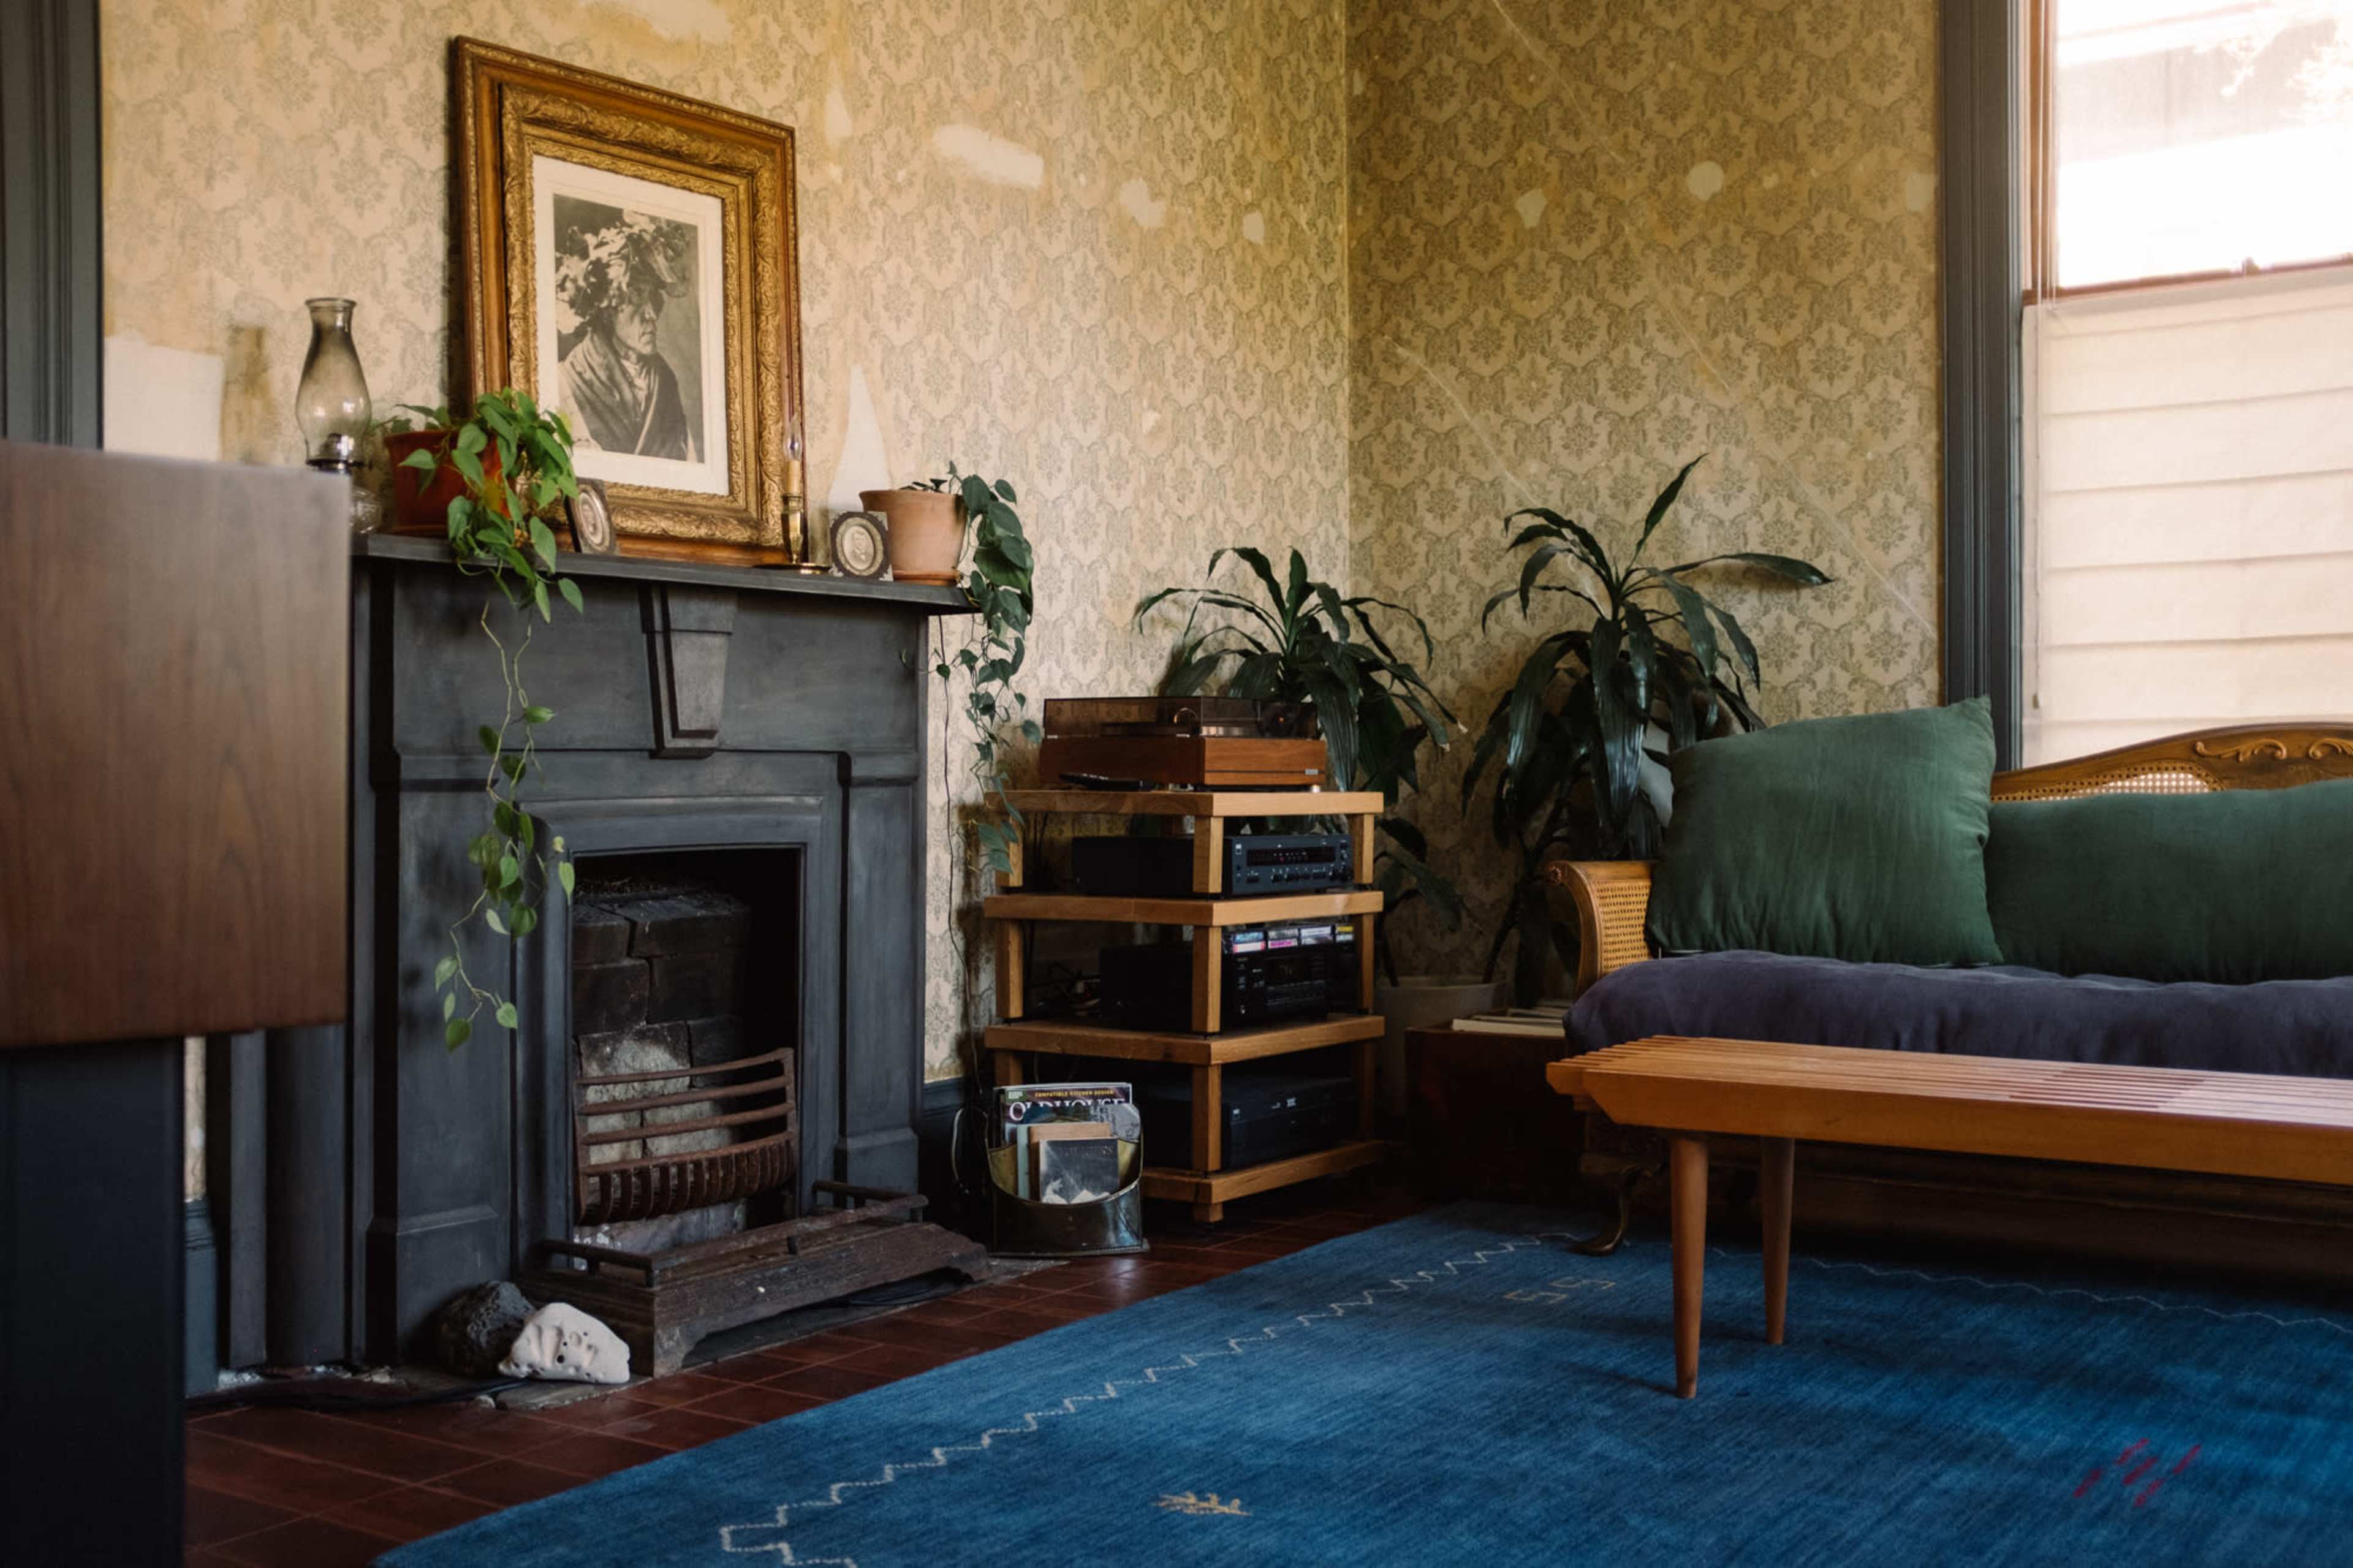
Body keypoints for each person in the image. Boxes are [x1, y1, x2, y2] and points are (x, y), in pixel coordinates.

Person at [554, 211, 699, 461]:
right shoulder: (564, 383)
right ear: (607, 308)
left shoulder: (664, 382)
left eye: (653, 297)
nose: (652, 313)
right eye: (636, 297)